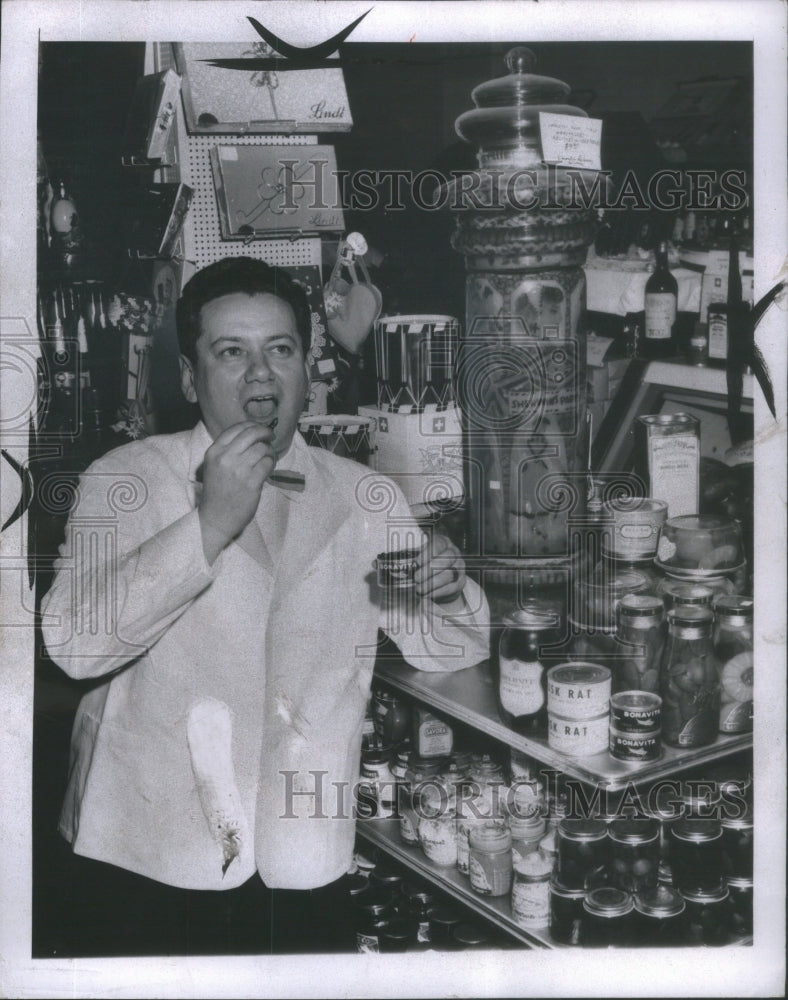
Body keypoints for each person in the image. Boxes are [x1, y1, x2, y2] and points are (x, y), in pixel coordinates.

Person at [40, 256, 490, 956]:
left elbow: (454, 651)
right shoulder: (124, 479)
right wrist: (210, 525)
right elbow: (74, 646)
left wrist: (450, 585)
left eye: (280, 350)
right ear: (190, 377)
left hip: (303, 864)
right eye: (231, 352)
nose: (259, 374)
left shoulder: (366, 494)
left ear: (307, 369)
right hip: (149, 862)